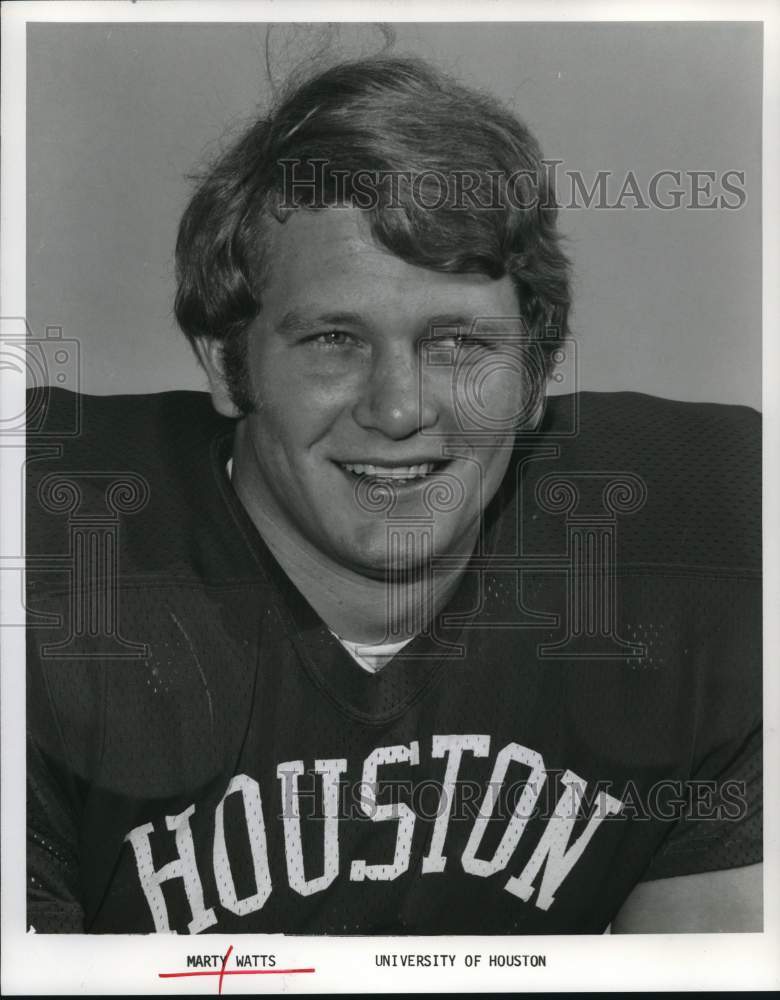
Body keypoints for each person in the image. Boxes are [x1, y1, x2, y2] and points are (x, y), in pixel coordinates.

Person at [26, 55, 761, 935]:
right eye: (335, 339)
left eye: (455, 342)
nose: (400, 408)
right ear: (228, 365)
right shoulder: (55, 557)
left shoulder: (712, 534)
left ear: (533, 378)